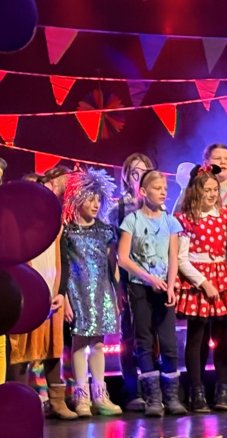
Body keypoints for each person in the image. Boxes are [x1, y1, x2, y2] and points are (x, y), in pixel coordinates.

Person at [7, 166, 76, 420]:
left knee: (52, 347)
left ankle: (57, 401)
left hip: (52, 293)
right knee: (22, 349)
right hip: (27, 296)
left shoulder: (55, 226)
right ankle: (18, 402)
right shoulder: (16, 227)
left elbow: (64, 262)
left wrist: (61, 292)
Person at [117, 170, 186, 416]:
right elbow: (123, 258)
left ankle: (172, 397)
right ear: (143, 192)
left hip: (164, 289)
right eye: (157, 188)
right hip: (140, 288)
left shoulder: (170, 222)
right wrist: (149, 278)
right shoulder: (132, 221)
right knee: (144, 342)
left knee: (169, 343)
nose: (163, 192)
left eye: (165, 188)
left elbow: (173, 257)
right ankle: (153, 398)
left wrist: (171, 284)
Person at [59, 168, 122, 417]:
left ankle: (100, 394)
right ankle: (81, 396)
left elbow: (112, 266)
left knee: (98, 343)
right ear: (77, 198)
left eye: (98, 199)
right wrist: (65, 299)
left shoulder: (105, 231)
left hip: (101, 293)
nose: (95, 204)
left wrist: (117, 294)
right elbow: (63, 266)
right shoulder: (68, 231)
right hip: (76, 293)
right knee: (79, 342)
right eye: (90, 199)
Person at [174, 164, 227, 412]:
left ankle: (222, 390)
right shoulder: (187, 219)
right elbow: (181, 259)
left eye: (214, 189)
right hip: (198, 281)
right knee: (197, 337)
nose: (211, 194)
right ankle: (196, 390)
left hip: (220, 277)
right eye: (206, 190)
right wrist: (203, 282)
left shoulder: (224, 215)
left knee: (221, 338)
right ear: (196, 191)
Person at [111, 153, 154, 412]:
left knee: (151, 336)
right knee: (128, 336)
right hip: (127, 278)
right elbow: (112, 251)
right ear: (127, 176)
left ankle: (154, 389)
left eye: (144, 171)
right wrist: (117, 285)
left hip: (152, 278)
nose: (139, 176)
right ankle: (132, 391)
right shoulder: (118, 209)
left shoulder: (157, 205)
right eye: (134, 172)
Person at [173, 144, 227, 221]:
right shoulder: (192, 190)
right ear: (206, 163)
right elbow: (175, 222)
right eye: (217, 158)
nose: (223, 162)